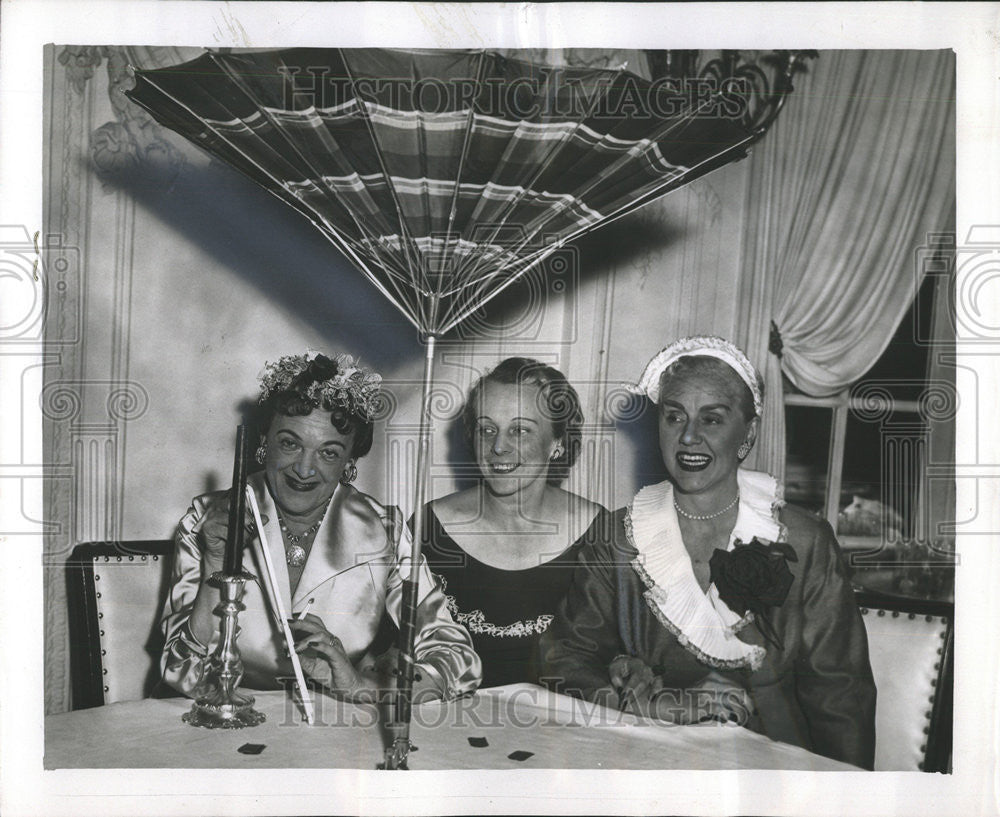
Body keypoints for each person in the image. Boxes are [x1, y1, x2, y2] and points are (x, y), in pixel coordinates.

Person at [539, 336, 876, 769]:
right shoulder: (618, 537)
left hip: (775, 768)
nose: (689, 436)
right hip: (646, 762)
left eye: (712, 420)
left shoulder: (804, 540)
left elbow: (841, 698)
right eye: (674, 416)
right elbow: (563, 658)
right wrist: (646, 703)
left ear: (748, 433)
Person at [161, 351, 482, 702]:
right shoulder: (209, 520)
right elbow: (181, 673)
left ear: (348, 463)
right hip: (223, 720)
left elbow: (458, 660)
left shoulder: (385, 531)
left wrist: (364, 689)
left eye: (328, 452)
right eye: (290, 443)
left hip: (331, 728)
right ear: (264, 442)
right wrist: (215, 566)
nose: (304, 469)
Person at [412, 357, 606, 688]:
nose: (498, 447)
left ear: (557, 443)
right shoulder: (429, 529)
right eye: (487, 430)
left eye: (520, 430)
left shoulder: (600, 534)